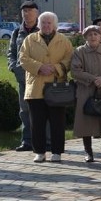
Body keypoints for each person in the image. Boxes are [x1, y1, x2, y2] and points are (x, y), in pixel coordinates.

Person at [18, 11, 73, 164]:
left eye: (49, 23)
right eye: (43, 23)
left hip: (57, 87)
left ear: (54, 25)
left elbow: (70, 58)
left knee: (57, 121)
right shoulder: (30, 39)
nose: (46, 25)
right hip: (36, 87)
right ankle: (39, 152)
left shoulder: (64, 40)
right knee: (37, 122)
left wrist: (56, 67)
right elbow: (22, 58)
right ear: (39, 24)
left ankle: (56, 152)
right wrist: (40, 67)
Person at [71, 25, 101, 163]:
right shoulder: (79, 52)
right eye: (90, 34)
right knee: (86, 122)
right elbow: (75, 71)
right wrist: (93, 79)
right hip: (86, 90)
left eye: (96, 34)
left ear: (100, 36)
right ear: (85, 37)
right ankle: (88, 152)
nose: (93, 37)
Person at [7, 0, 39, 152]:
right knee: (24, 110)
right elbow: (11, 53)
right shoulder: (16, 32)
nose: (27, 14)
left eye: (30, 11)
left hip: (39, 78)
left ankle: (43, 141)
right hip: (22, 78)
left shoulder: (42, 30)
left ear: (36, 13)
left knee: (40, 110)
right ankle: (26, 141)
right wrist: (13, 67)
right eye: (24, 11)